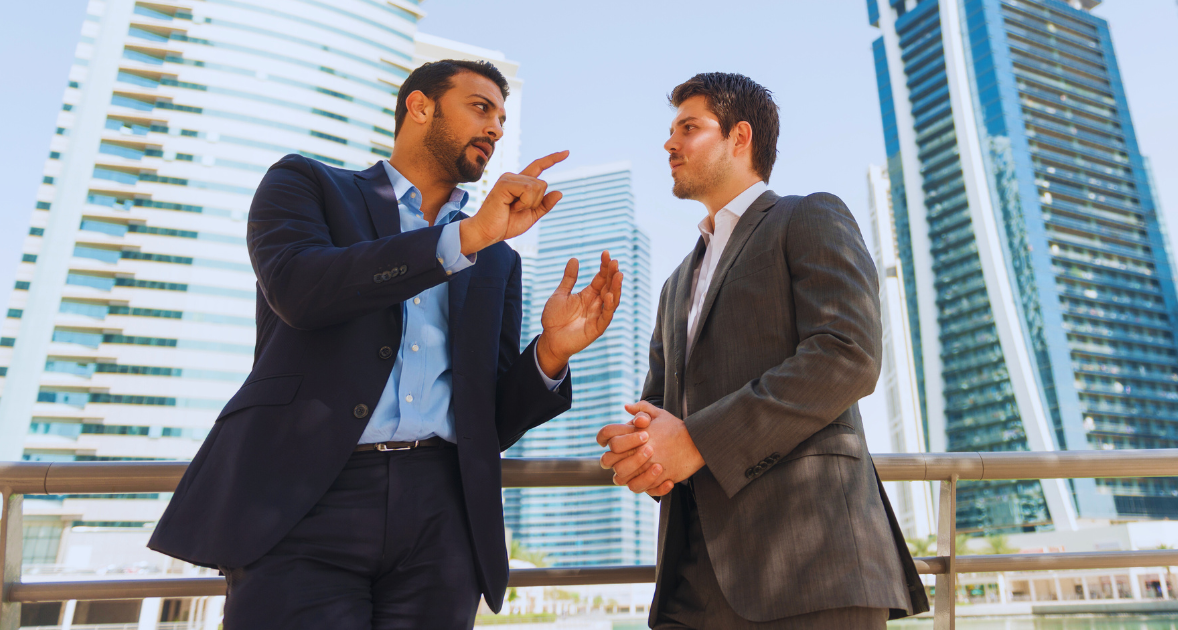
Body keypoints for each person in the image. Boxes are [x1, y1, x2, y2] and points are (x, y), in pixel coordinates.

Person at [150, 58, 622, 629]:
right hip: (305, 501)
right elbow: (300, 291)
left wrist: (551, 352)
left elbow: (488, 421)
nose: (496, 127)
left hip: (442, 518)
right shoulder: (308, 185)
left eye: (502, 116)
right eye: (480, 108)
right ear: (420, 107)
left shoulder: (497, 258)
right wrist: (462, 238)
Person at [597, 72, 927, 629]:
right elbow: (664, 414)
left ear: (739, 137)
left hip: (811, 570)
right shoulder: (676, 282)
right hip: (691, 579)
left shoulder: (809, 216)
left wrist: (697, 441)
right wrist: (642, 449)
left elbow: (847, 354)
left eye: (689, 127)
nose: (668, 143)